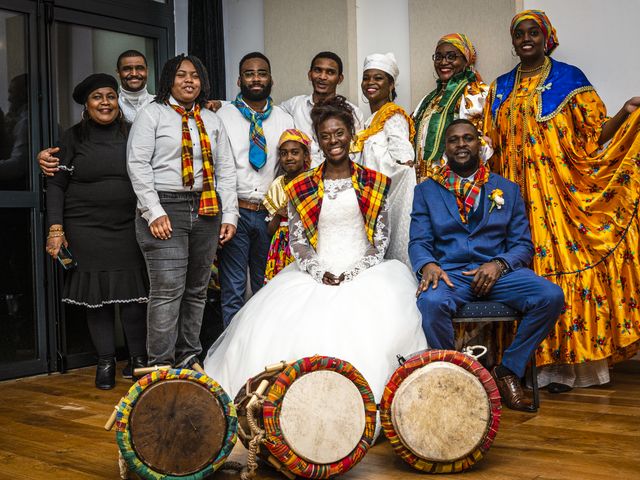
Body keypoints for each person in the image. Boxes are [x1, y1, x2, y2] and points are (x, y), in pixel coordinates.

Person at [204, 96, 427, 402]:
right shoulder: (301, 186)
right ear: (318, 142)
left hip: (365, 271)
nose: (333, 141)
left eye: (339, 133)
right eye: (325, 136)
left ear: (350, 134)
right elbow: (298, 240)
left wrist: (355, 271)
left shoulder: (374, 182)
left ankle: (364, 405)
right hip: (315, 271)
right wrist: (318, 271)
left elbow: (380, 240)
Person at [483, 9, 640, 390]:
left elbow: (594, 137)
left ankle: (565, 369)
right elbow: (486, 145)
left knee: (560, 267)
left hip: (559, 197)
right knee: (518, 271)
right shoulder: (499, 86)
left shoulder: (570, 79)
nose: (525, 38)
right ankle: (521, 367)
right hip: (513, 200)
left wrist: (625, 113)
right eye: (519, 33)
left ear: (546, 37)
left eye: (533, 32)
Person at [410, 119, 565, 412]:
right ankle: (456, 379)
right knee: (431, 302)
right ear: (445, 147)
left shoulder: (505, 189)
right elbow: (418, 241)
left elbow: (523, 245)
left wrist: (499, 264)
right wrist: (428, 264)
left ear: (479, 144)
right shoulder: (426, 191)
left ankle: (507, 372)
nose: (461, 145)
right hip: (453, 274)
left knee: (550, 296)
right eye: (454, 140)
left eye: (468, 138)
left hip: (498, 275)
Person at [127, 54, 238, 368]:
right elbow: (137, 165)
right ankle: (159, 364)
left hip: (206, 207)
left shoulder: (212, 119)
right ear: (168, 81)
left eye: (195, 76)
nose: (189, 81)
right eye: (181, 75)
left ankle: (188, 357)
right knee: (167, 290)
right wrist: (153, 211)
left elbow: (226, 170)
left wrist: (230, 215)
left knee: (197, 291)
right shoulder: (152, 115)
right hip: (165, 207)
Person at [45, 74, 148, 389]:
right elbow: (56, 185)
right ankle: (104, 361)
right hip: (85, 227)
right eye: (97, 97)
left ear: (118, 101)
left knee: (133, 297)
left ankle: (138, 359)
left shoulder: (135, 133)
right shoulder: (72, 138)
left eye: (110, 96)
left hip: (129, 226)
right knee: (97, 298)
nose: (105, 102)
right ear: (86, 105)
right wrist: (55, 229)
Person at [216, 52, 294, 327]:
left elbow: (290, 167)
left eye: (262, 72)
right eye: (249, 73)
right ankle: (231, 355)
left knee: (268, 287)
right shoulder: (221, 117)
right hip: (234, 213)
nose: (256, 78)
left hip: (268, 216)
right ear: (239, 80)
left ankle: (262, 353)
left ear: (271, 78)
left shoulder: (284, 119)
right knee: (234, 288)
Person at [38, 49, 154, 175]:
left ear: (147, 70)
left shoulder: (162, 105)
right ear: (118, 73)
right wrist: (43, 156)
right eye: (127, 69)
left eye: (140, 68)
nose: (134, 73)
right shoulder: (107, 107)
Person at [353, 52, 415, 268]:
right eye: (366, 77)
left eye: (378, 78)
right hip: (368, 203)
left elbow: (405, 162)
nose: (370, 83)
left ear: (391, 85)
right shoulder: (370, 121)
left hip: (383, 203)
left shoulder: (393, 116)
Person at [413, 34, 489, 183]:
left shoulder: (477, 93)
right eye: (439, 57)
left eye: (451, 56)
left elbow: (483, 143)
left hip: (459, 184)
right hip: (425, 184)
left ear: (465, 60)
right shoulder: (428, 99)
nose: (443, 62)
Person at [280, 51, 365, 166]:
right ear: (310, 74)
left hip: (338, 179)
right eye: (318, 70)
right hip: (303, 181)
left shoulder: (353, 112)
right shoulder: (295, 105)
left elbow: (355, 154)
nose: (322, 77)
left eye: (330, 72)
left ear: (340, 79)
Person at [263, 128, 312, 283]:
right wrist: (278, 214)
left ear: (305, 155)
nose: (289, 157)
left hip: (307, 245)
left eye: (294, 152)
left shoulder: (313, 182)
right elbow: (270, 231)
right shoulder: (277, 185)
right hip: (281, 250)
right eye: (284, 153)